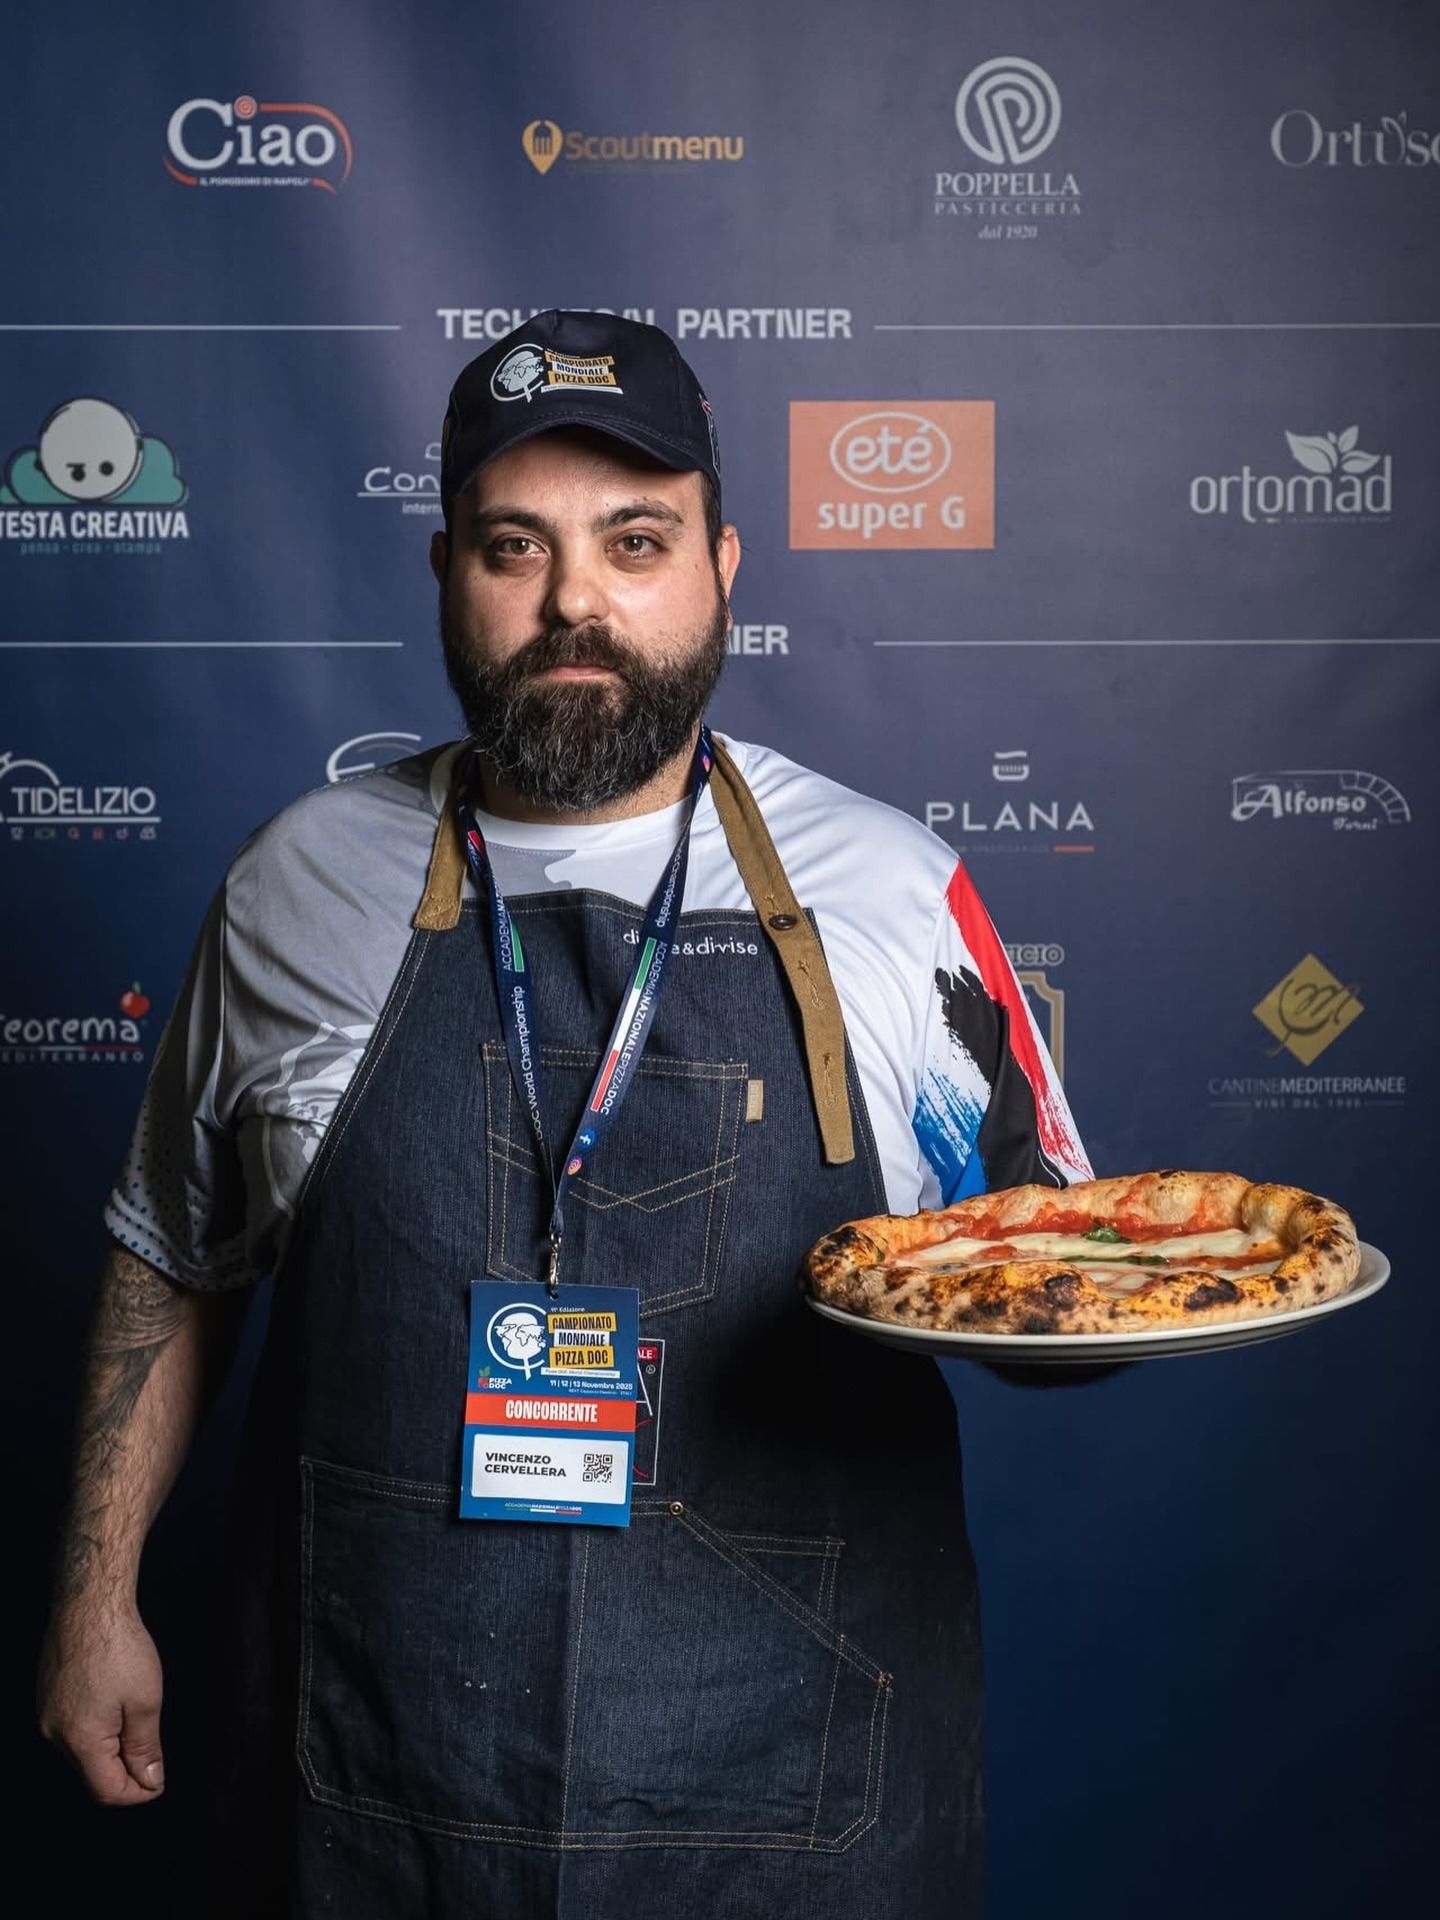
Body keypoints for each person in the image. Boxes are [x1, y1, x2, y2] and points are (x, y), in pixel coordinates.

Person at [38, 310, 1091, 1917]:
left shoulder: (894, 892)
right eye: (515, 546)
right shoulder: (297, 884)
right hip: (380, 1785)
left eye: (636, 540)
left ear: (726, 565)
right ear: (446, 568)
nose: (576, 600)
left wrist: (1075, 1307)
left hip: (797, 1801)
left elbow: (1066, 1274)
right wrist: (93, 1595)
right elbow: (171, 1258)